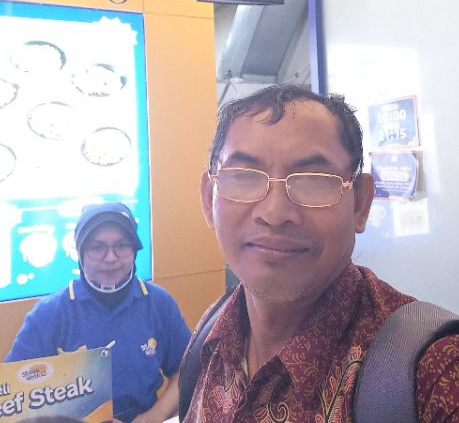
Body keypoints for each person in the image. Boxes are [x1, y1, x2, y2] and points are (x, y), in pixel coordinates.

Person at [182, 84, 459, 422]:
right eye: (244, 177)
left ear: (360, 203)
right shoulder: (210, 335)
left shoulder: (433, 372)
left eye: (313, 179)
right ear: (208, 198)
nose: (274, 213)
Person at [6, 202, 191, 423]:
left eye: (122, 245)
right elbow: (13, 396)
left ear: (134, 250)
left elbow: (186, 370)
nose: (110, 257)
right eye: (96, 247)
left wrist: (154, 416)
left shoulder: (159, 303)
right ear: (80, 253)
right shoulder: (49, 314)